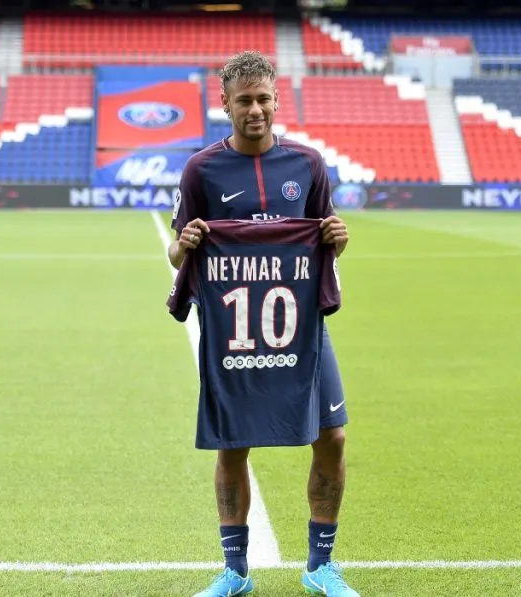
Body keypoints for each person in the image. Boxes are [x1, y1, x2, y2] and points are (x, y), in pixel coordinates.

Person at [167, 50, 357, 597]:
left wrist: (338, 238)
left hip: (302, 328)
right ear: (225, 104)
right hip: (233, 331)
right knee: (233, 444)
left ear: (277, 101)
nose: (256, 110)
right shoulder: (201, 170)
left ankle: (321, 565)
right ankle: (235, 572)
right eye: (245, 101)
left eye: (264, 99)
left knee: (333, 437)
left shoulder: (308, 165)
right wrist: (186, 244)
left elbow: (323, 242)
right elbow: (178, 256)